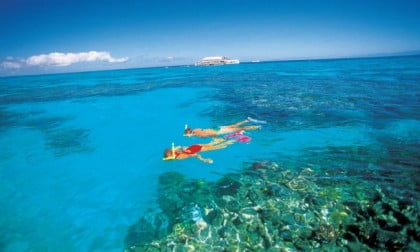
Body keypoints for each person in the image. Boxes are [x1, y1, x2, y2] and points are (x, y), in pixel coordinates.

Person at [163, 138, 235, 163]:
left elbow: (194, 154)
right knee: (210, 144)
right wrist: (184, 149)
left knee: (218, 147)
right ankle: (221, 139)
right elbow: (180, 146)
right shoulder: (174, 150)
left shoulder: (179, 157)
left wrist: (204, 159)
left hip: (197, 149)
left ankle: (233, 140)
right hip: (193, 146)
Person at [184, 119, 260, 137]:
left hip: (219, 131)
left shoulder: (199, 134)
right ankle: (246, 120)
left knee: (241, 129)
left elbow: (211, 134)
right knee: (234, 125)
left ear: (190, 133)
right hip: (217, 128)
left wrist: (217, 138)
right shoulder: (196, 129)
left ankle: (256, 127)